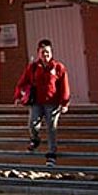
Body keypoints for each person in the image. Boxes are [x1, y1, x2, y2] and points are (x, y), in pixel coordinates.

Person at [14, 39, 70, 167]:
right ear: (38, 53)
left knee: (52, 128)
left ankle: (51, 154)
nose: (46, 55)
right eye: (43, 52)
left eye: (48, 52)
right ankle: (35, 139)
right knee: (33, 124)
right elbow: (22, 82)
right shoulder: (32, 68)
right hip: (37, 103)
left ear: (52, 53)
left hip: (53, 103)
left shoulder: (58, 67)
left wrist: (64, 103)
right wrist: (18, 96)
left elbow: (64, 86)